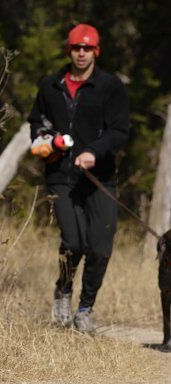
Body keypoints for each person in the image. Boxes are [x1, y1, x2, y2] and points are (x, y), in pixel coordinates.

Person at [28, 23, 129, 332]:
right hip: (61, 176)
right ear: (68, 50)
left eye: (87, 48)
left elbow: (119, 130)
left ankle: (85, 308)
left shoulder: (110, 86)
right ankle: (63, 289)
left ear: (96, 51)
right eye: (76, 48)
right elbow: (36, 124)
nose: (81, 53)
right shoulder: (50, 85)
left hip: (99, 177)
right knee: (73, 242)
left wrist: (94, 152)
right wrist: (47, 143)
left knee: (100, 247)